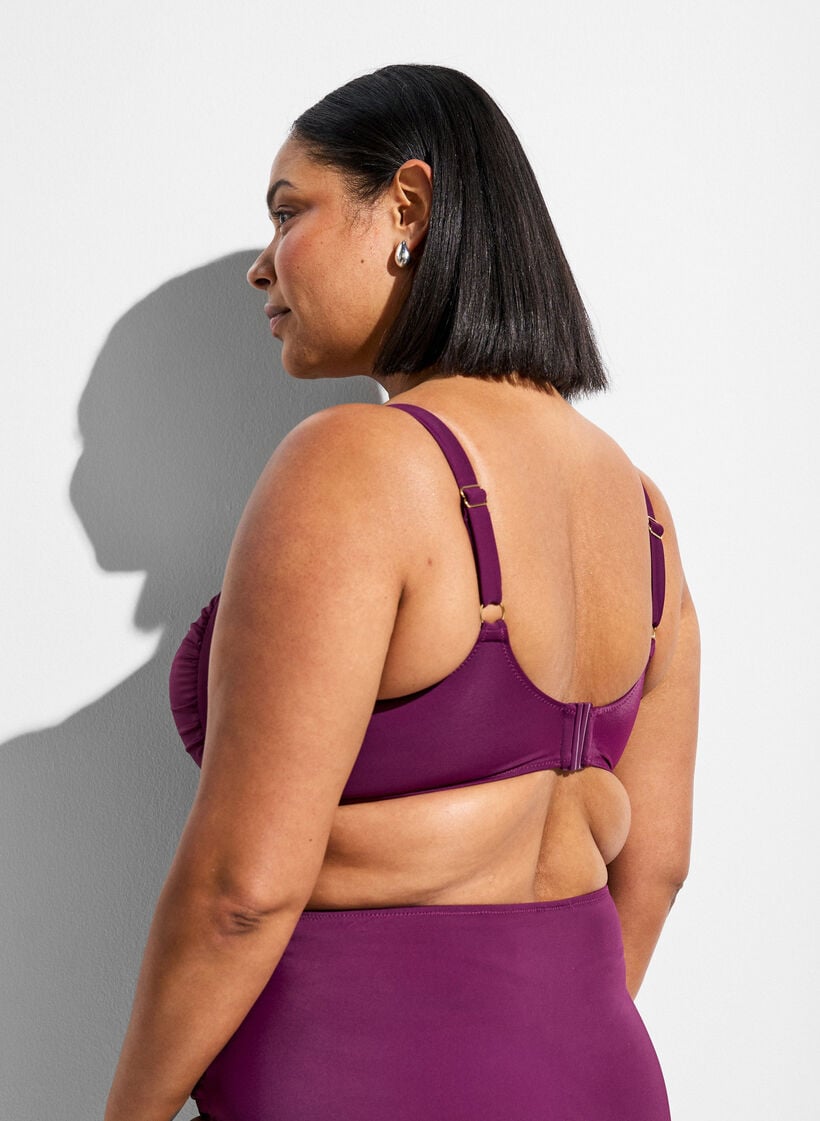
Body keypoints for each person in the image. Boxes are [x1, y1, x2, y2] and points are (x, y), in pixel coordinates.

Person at [104, 64, 699, 1121]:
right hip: (598, 1079)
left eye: (290, 210)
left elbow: (242, 888)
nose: (262, 265)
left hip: (361, 1075)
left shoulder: (355, 463)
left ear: (408, 209)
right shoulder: (642, 511)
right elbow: (653, 867)